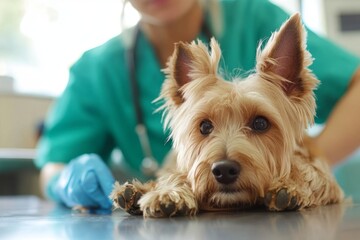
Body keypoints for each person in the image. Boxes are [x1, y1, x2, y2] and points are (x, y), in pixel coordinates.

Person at [35, 0, 360, 213]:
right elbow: (54, 162)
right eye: (205, 127)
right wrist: (65, 181)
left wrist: (313, 156)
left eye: (259, 124)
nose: (226, 159)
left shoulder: (254, 16)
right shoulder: (98, 70)